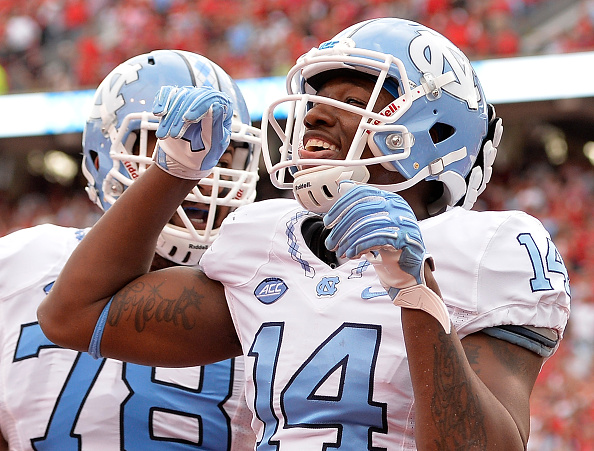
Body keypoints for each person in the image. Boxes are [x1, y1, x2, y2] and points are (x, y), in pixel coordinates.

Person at [38, 18, 570, 450]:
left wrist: (417, 296)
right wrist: (173, 170)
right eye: (315, 98)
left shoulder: (489, 248)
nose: (314, 114)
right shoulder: (269, 243)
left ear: (434, 129)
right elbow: (75, 315)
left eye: (350, 98)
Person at [1, 50, 260, 449]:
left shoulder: (268, 286)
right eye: (167, 143)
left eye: (219, 155)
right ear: (102, 155)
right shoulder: (22, 262)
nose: (201, 171)